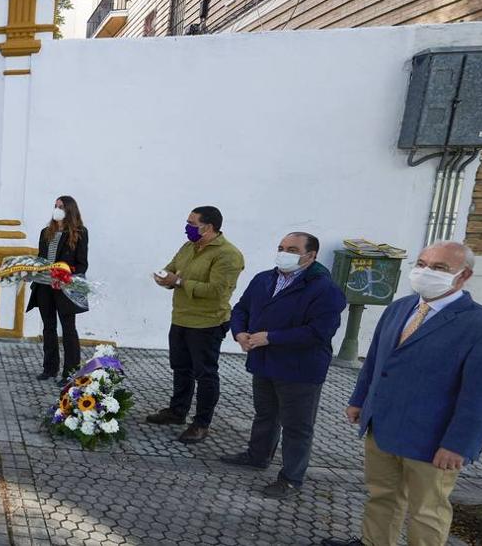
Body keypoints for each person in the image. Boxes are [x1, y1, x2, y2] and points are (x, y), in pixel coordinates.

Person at [321, 241, 482, 546]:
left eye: (438, 268)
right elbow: (376, 360)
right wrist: (359, 400)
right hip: (381, 429)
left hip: (432, 442)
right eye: (421, 263)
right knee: (382, 499)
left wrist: (459, 445)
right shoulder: (400, 308)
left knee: (427, 512)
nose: (425, 272)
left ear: (463, 276)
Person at [222, 232, 347, 498]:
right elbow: (241, 308)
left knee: (297, 426)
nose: (284, 253)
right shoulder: (264, 279)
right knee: (265, 414)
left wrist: (271, 337)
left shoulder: (324, 289)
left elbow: (319, 331)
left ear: (310, 256)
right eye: (281, 247)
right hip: (264, 362)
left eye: (292, 249)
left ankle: (291, 479)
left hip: (299, 368)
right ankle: (258, 455)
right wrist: (239, 332)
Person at [147, 206, 245, 444]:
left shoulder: (228, 254)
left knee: (205, 374)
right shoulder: (189, 246)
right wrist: (165, 278)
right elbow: (172, 268)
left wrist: (178, 281)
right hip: (181, 317)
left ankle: (202, 423)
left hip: (207, 322)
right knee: (181, 368)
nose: (187, 226)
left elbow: (217, 291)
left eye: (192, 223)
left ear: (209, 227)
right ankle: (177, 411)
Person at [28, 195, 90, 384]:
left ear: (69, 210)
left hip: (65, 289)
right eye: (55, 206)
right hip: (45, 287)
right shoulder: (45, 232)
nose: (57, 209)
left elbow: (82, 264)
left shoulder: (80, 233)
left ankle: (70, 372)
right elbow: (40, 259)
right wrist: (30, 270)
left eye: (61, 206)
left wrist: (65, 277)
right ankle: (49, 368)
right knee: (49, 328)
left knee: (69, 330)